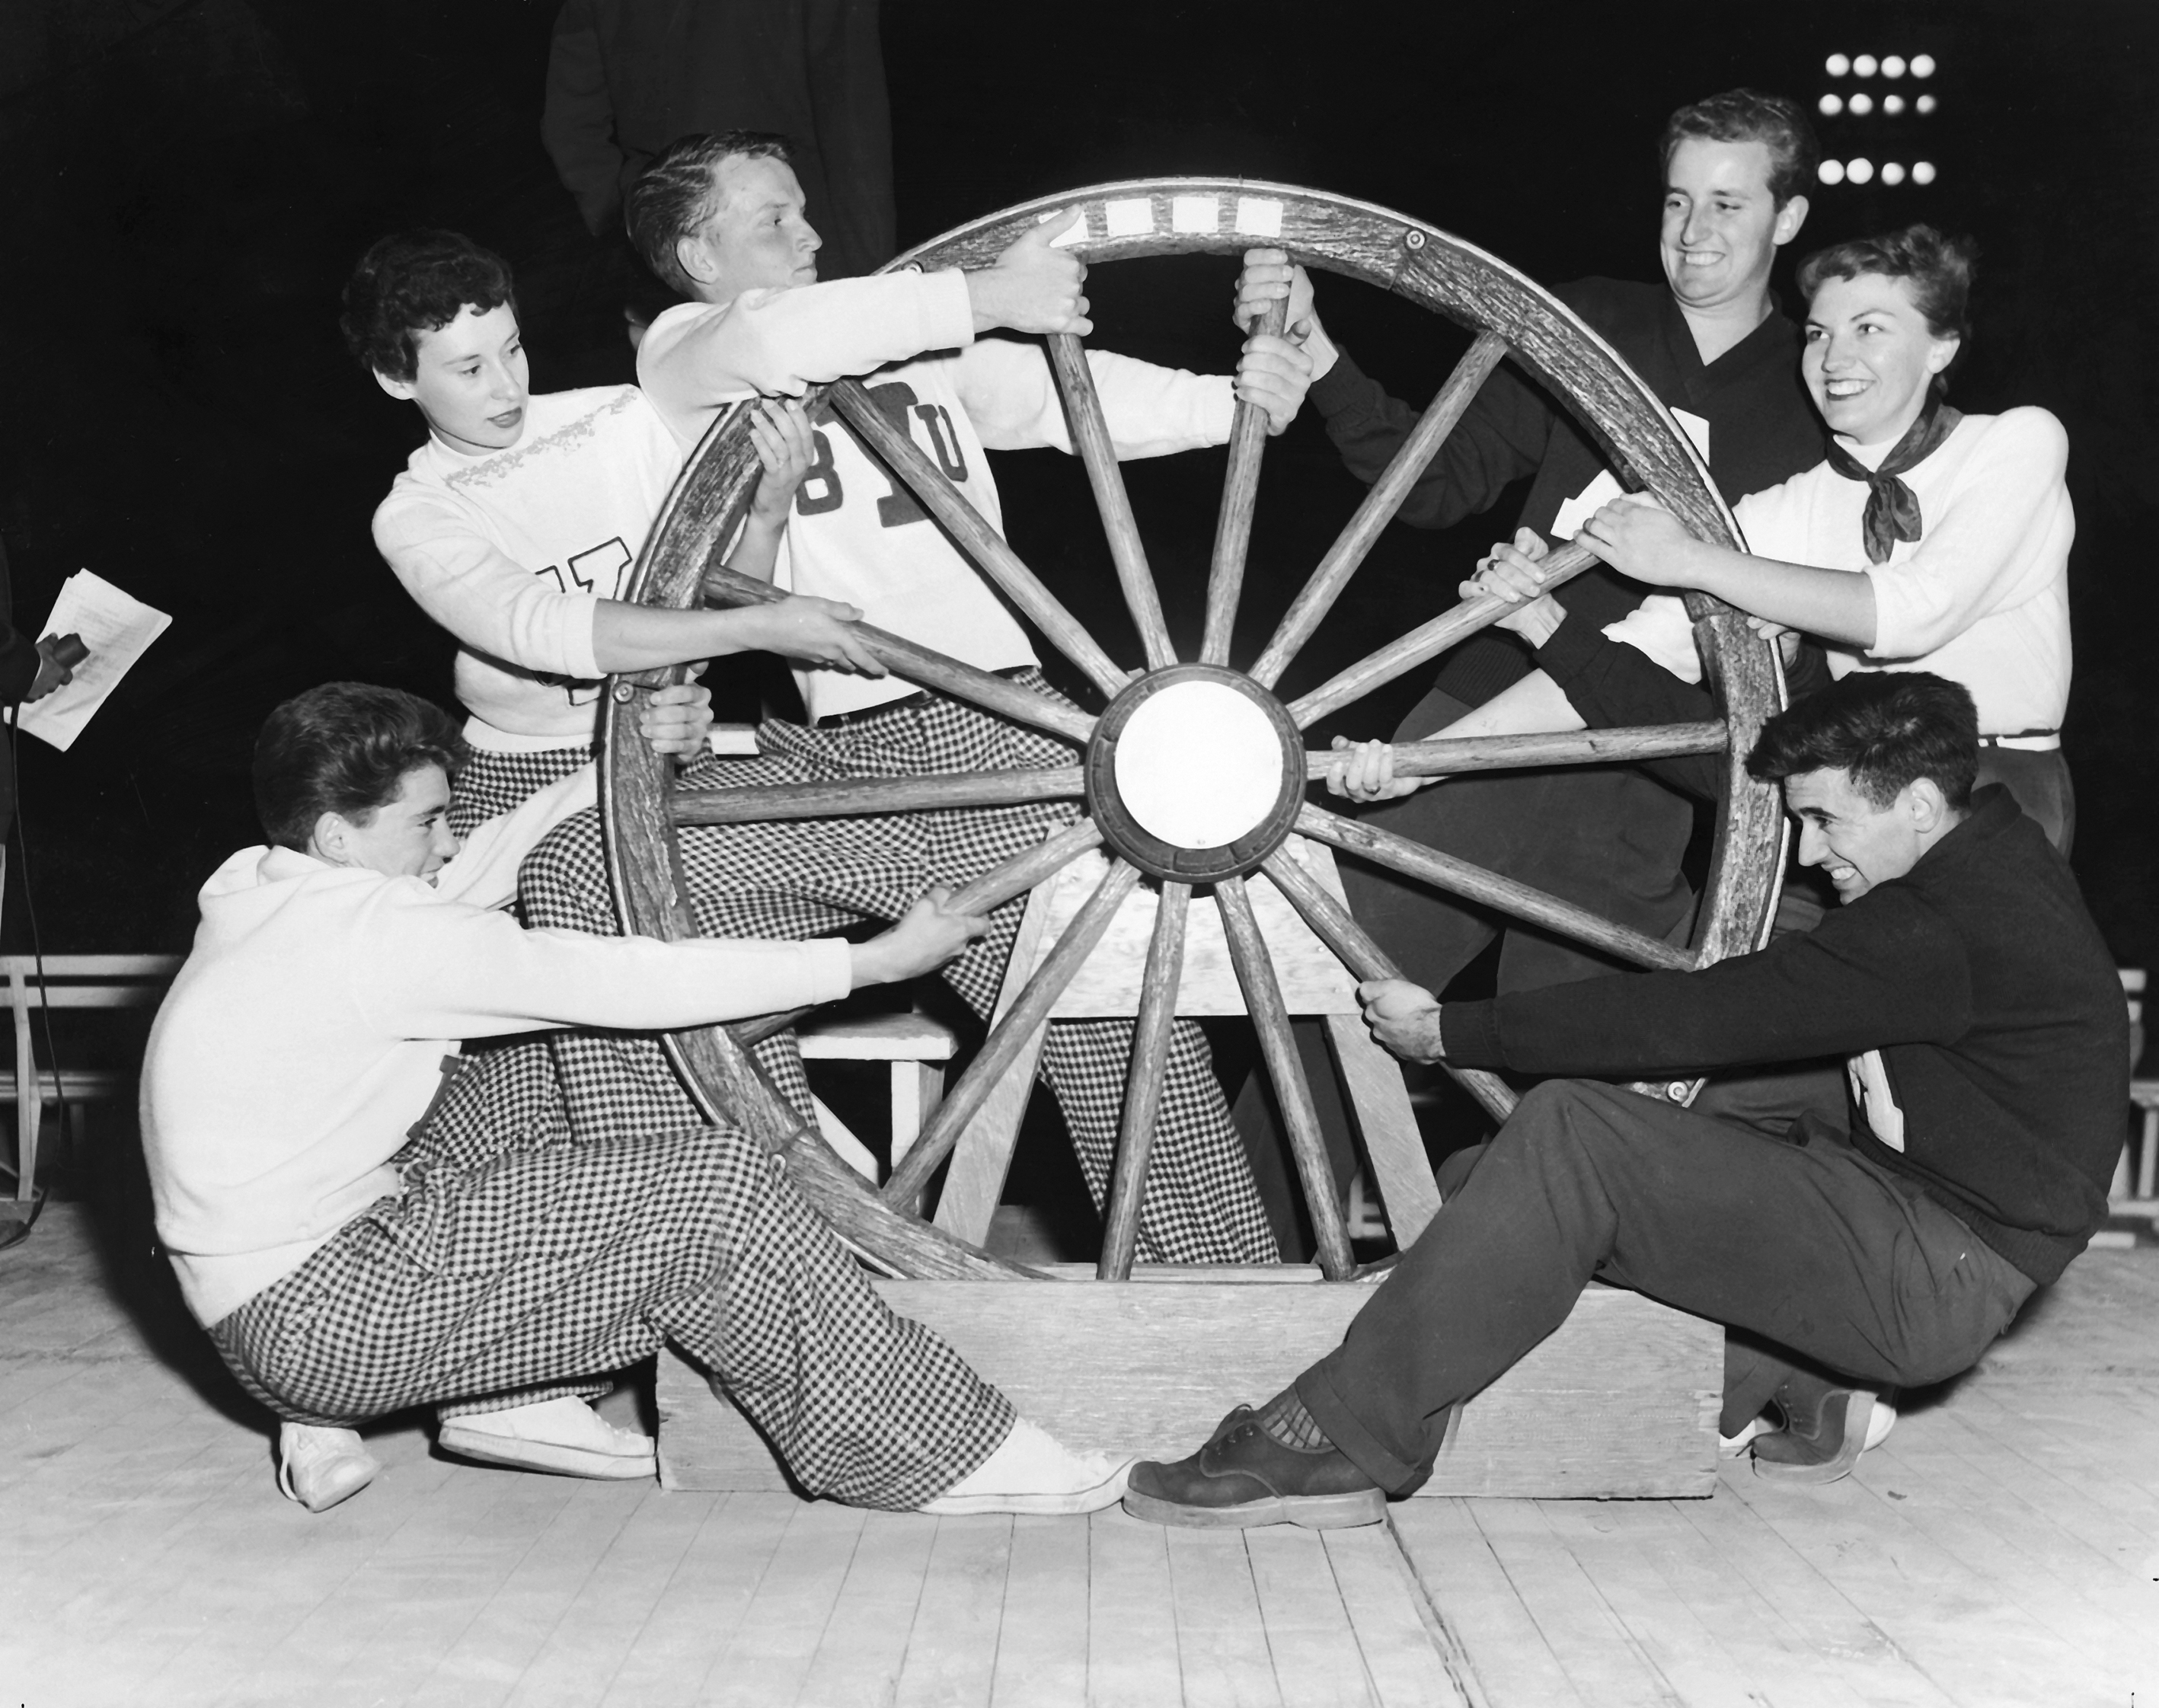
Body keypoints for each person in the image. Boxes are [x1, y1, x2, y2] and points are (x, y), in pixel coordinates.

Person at [513, 129, 1318, 1267]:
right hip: (840, 770)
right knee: (593, 880)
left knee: (1122, 1048)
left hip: (999, 740)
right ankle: (745, 1239)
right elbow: (776, 333)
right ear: (696, 258)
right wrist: (983, 290)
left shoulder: (902, 331)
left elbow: (1066, 400)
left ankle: (1227, 1307)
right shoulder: (691, 352)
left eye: (805, 210)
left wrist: (1241, 399)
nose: (811, 236)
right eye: (772, 221)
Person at [1122, 672, 2125, 1528]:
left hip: (1936, 1269)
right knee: (1504, 1173)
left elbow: (1700, 1015)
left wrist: (1452, 1032)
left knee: (1573, 1136)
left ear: (1919, 803)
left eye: (1826, 820)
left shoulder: (1935, 928)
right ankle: (1795, 1375)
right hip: (1935, 1232)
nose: (1812, 854)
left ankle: (1339, 1438)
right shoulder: (1994, 864)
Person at [141, 682, 1131, 1516]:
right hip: (327, 1315)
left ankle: (513, 1398)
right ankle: (930, 1454)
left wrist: (628, 760)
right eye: (425, 821)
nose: (446, 844)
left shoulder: (270, 891)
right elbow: (610, 976)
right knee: (719, 1188)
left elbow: (484, 862)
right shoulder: (371, 938)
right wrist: (865, 960)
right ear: (337, 833)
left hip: (279, 1299)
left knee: (533, 1063)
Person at [1237, 88, 1827, 1002]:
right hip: (1478, 719)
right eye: (1677, 200)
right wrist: (1318, 352)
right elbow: (1434, 480)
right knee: (1327, 1016)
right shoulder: (1591, 322)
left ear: (1787, 218)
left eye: (1727, 203)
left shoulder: (1816, 390)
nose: (1693, 232)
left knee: (1585, 1071)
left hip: (1645, 774)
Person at [346, 228, 880, 836]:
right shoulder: (416, 514)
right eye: (469, 368)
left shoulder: (619, 419)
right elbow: (542, 627)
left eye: (512, 349)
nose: (507, 385)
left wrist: (768, 512)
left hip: (667, 727)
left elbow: (715, 597)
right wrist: (757, 627)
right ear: (396, 378)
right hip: (524, 769)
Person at [1571, 223, 2076, 851]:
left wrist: (1693, 560)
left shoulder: (2017, 441)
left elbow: (1915, 612)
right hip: (1852, 786)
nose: (1833, 359)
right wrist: (1453, 747)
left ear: (1940, 347)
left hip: (1993, 789)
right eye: (1817, 333)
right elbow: (1647, 640)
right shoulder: (1799, 502)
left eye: (1869, 329)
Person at [542, 0, 895, 283]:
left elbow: (573, 128)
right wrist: (876, 269)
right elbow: (855, 125)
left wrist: (641, 233)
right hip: (805, 247)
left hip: (680, 254)